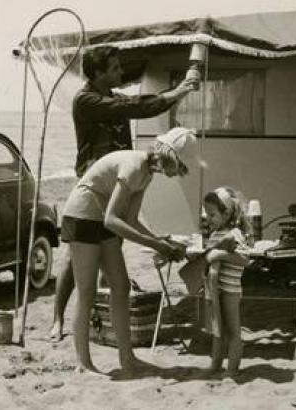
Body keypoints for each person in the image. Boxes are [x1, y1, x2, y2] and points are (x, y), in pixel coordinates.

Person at [48, 45, 198, 341]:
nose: (120, 72)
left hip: (121, 175)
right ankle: (58, 319)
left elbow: (143, 104)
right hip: (93, 180)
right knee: (74, 255)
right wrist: (178, 91)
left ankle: (98, 311)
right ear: (98, 73)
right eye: (115, 68)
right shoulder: (87, 100)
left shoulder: (114, 97)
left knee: (110, 243)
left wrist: (178, 93)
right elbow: (137, 107)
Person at [60, 127, 197, 375]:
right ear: (168, 156)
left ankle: (127, 358)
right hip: (82, 217)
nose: (176, 173)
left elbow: (131, 219)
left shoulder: (147, 174)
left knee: (121, 287)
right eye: (178, 166)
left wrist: (159, 240)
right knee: (87, 291)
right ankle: (84, 364)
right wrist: (156, 245)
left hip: (100, 218)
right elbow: (113, 220)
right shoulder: (134, 166)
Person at [180, 187, 251, 377]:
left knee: (233, 331)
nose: (208, 218)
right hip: (215, 289)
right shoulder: (215, 234)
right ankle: (215, 365)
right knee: (217, 330)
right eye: (206, 214)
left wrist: (221, 254)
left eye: (212, 214)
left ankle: (232, 370)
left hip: (230, 290)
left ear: (226, 213)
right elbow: (207, 257)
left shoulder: (235, 233)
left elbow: (245, 259)